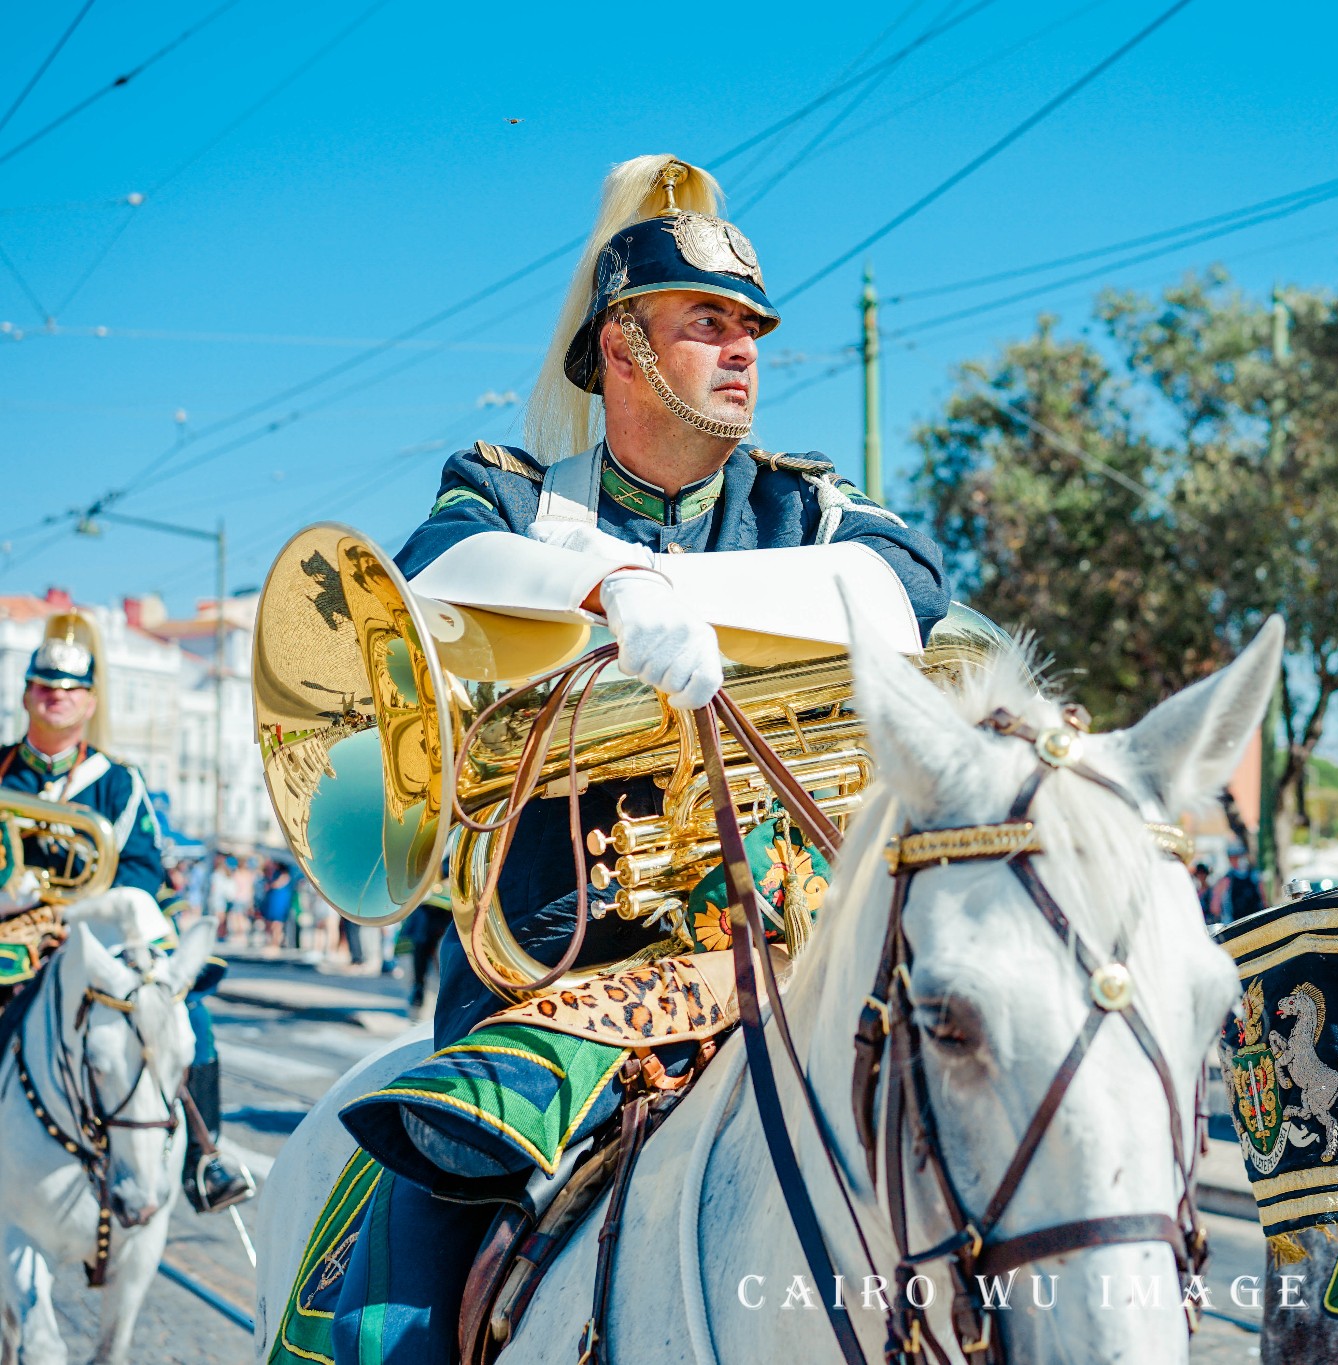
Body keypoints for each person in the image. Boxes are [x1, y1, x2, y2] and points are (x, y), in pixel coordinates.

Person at [320, 153, 950, 1363]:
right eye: (706, 323)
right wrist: (606, 583)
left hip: (778, 972)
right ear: (624, 348)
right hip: (545, 989)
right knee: (389, 1321)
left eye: (749, 326)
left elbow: (905, 590)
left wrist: (679, 594)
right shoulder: (509, 496)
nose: (744, 348)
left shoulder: (808, 508)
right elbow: (428, 577)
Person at [0, 615, 253, 1213]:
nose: (54, 696)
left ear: (88, 703)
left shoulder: (118, 782)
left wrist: (71, 909)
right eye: (43, 685)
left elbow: (140, 866)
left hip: (94, 934)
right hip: (10, 934)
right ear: (26, 694)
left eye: (68, 689)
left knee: (186, 1014)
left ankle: (203, 1157)